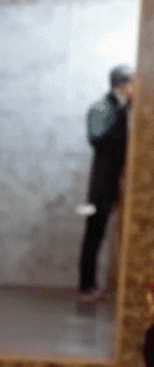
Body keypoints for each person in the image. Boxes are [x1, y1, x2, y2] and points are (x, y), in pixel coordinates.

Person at [79, 64, 133, 301]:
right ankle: (86, 285)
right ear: (121, 85)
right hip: (101, 183)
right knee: (94, 231)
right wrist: (122, 114)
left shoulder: (133, 109)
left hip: (125, 181)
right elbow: (98, 142)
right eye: (132, 84)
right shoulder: (100, 108)